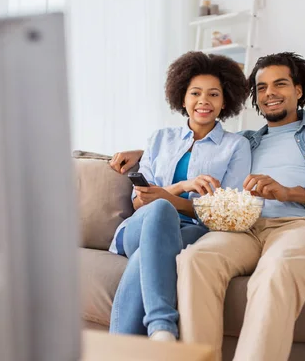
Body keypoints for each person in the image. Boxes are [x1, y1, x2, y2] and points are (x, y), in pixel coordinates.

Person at [109, 52, 305, 360]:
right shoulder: (246, 141)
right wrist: (140, 153)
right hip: (244, 229)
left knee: (276, 271)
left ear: (299, 90)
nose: (269, 93)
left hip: (301, 226)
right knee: (194, 261)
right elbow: (198, 139)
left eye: (280, 84)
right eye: (261, 88)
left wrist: (290, 193)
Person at [108, 51, 252, 343]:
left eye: (214, 94)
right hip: (139, 226)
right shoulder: (160, 139)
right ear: (182, 98)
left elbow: (226, 212)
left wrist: (168, 198)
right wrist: (177, 189)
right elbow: (139, 202)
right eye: (195, 93)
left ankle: (134, 344)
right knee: (160, 211)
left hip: (192, 231)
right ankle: (162, 324)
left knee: (145, 257)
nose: (204, 101)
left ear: (225, 101)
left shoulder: (236, 146)